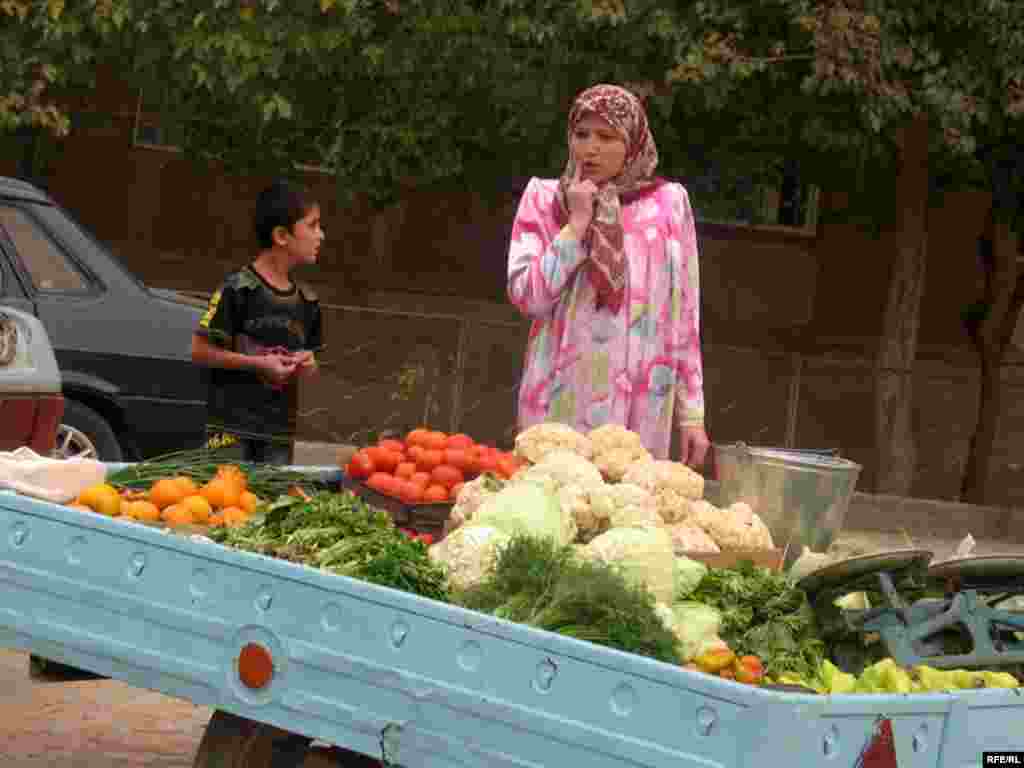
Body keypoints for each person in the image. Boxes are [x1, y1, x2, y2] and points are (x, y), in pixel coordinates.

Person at [506, 83, 710, 468]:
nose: (590, 148)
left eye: (606, 136)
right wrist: (577, 224)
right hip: (558, 403)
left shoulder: (669, 205)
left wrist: (692, 414)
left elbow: (684, 317)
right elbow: (528, 297)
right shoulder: (545, 199)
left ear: (632, 142)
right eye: (581, 135)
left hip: (640, 408)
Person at [191, 179, 325, 465]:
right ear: (281, 236)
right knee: (226, 507)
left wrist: (308, 363)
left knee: (271, 507)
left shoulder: (308, 301)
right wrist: (258, 364)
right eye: (312, 226)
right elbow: (199, 351)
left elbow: (312, 365)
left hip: (278, 435)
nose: (321, 235)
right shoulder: (238, 289)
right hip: (229, 434)